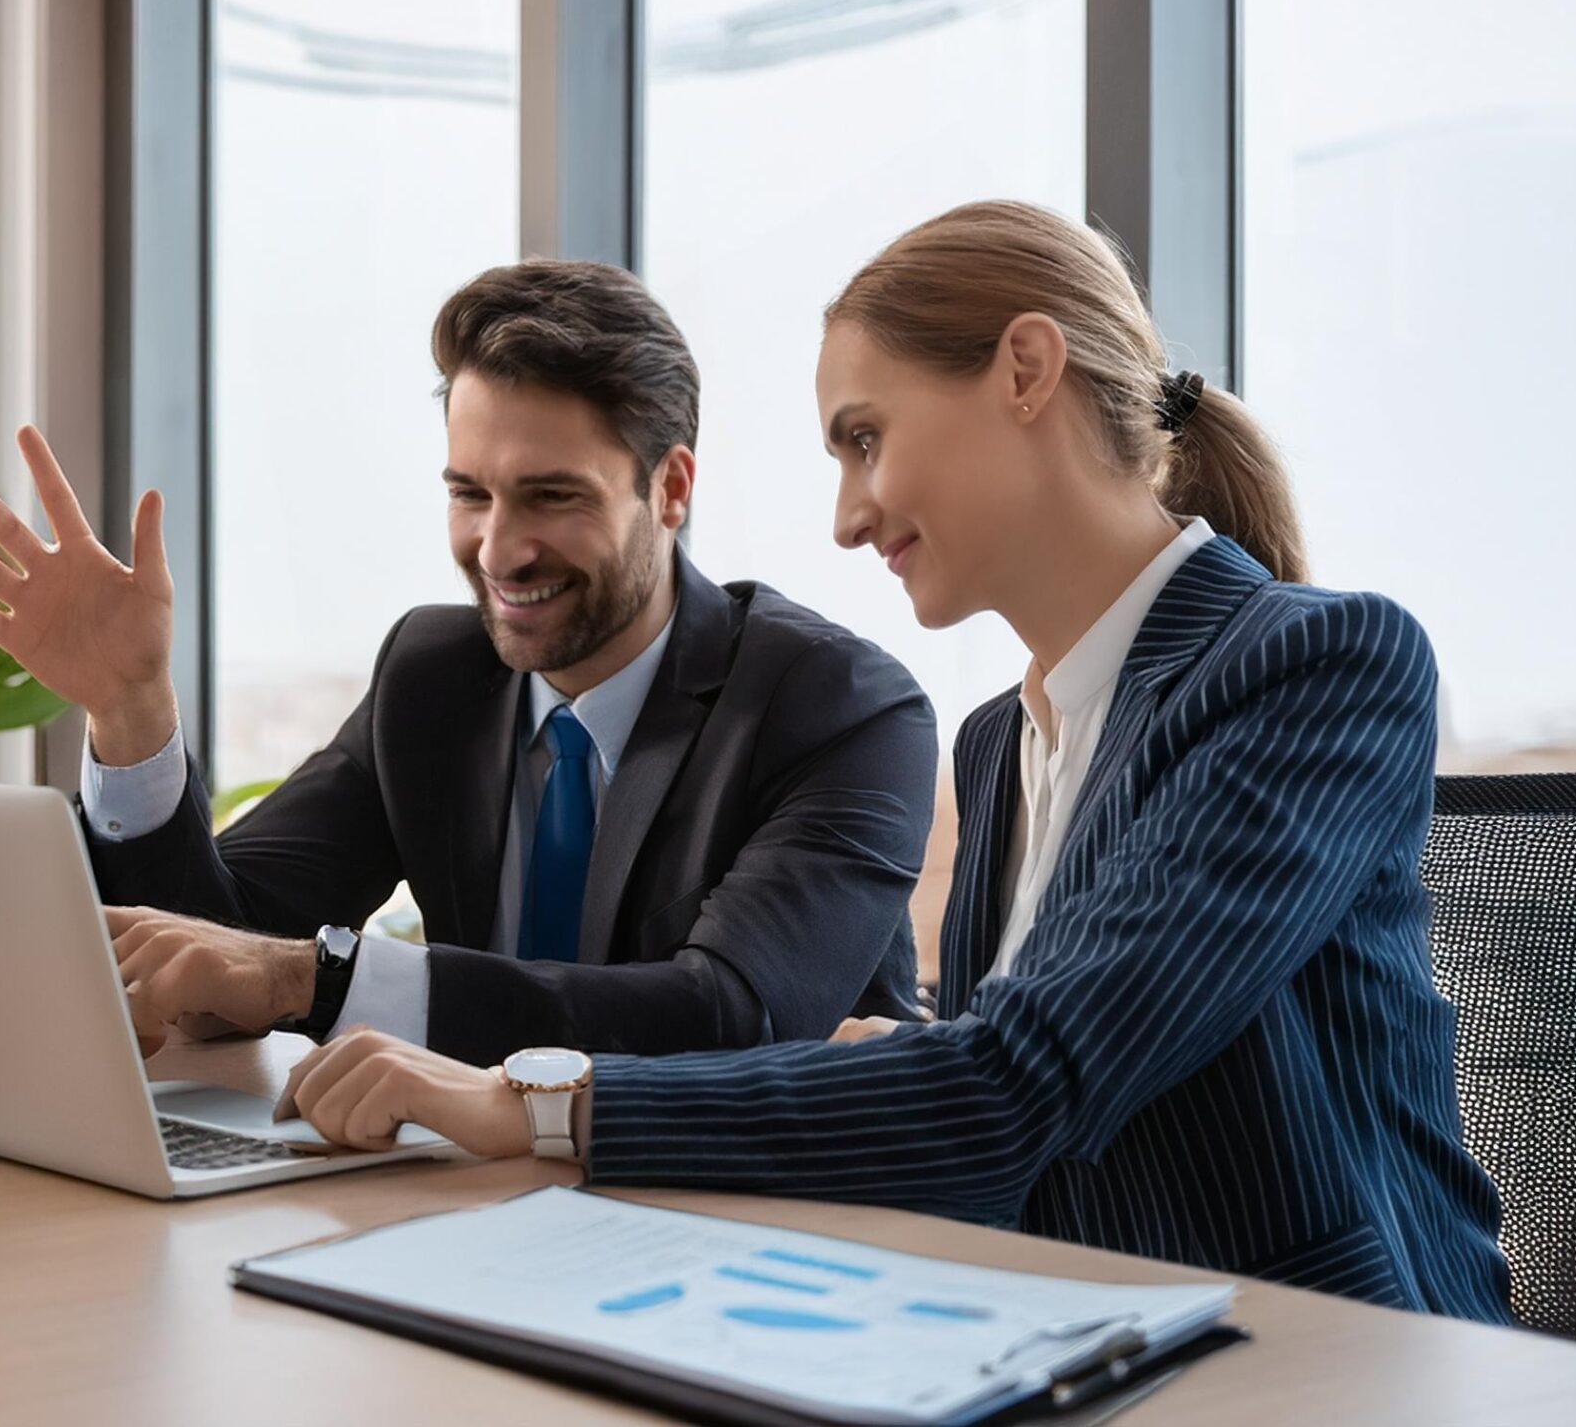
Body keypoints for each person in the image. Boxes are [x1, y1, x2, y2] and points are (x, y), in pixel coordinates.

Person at [271, 202, 1513, 1323]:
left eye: (864, 439)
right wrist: (907, 1070)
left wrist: (539, 1104)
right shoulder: (999, 741)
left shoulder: (1314, 663)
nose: (846, 514)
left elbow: (1021, 1087)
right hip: (1063, 1329)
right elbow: (1012, 1101)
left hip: (1319, 1353)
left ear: (1025, 370)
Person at [0, 260, 935, 1066]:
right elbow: (221, 947)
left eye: (550, 496)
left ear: (669, 488)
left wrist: (314, 979)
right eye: (470, 494)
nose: (498, 549)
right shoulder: (434, 673)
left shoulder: (838, 707)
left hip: (763, 1243)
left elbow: (728, 1017)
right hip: (470, 1206)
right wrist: (131, 704)